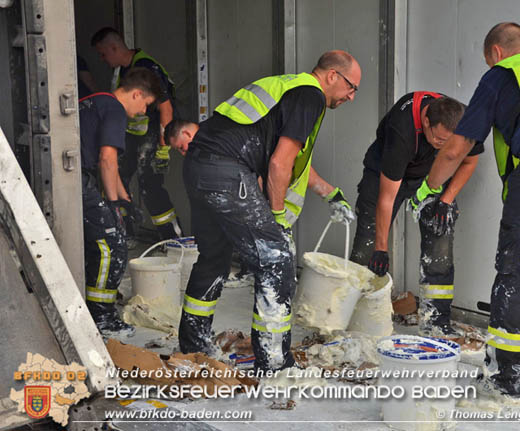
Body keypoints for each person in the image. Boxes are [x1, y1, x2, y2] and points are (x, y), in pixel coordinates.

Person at [410, 23, 520, 398]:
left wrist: (427, 189)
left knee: (517, 271)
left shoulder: (503, 74)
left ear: (495, 52)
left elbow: (457, 148)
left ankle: (504, 380)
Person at [179, 50, 360, 371]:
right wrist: (277, 221)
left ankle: (194, 348)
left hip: (199, 166)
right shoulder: (311, 96)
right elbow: (279, 162)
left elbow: (285, 158)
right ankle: (275, 365)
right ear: (333, 76)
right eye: (351, 87)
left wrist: (329, 192)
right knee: (276, 259)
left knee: (214, 258)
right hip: (227, 171)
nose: (351, 96)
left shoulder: (285, 86)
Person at [349, 92, 480, 337]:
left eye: (449, 143)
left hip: (432, 174)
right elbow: (386, 198)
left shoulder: (467, 121)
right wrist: (381, 248)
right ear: (426, 122)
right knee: (368, 244)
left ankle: (436, 320)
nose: (443, 145)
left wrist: (446, 199)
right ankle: (356, 319)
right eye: (439, 139)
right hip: (387, 173)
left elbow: (469, 162)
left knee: (441, 232)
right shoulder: (403, 130)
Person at [79, 67, 161, 336]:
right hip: (78, 179)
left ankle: (95, 307)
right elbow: (107, 159)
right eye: (146, 104)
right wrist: (114, 207)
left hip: (71, 178)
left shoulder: (94, 100)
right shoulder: (114, 109)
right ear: (137, 93)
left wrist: (125, 200)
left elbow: (108, 166)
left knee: (98, 243)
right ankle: (101, 317)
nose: (143, 112)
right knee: (110, 244)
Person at [91, 27, 182, 241]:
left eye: (103, 54)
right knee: (115, 177)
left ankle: (174, 240)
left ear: (114, 48)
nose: (103, 60)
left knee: (149, 183)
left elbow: (166, 109)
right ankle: (123, 235)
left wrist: (162, 149)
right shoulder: (124, 70)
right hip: (133, 135)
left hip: (152, 134)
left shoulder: (145, 67)